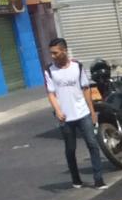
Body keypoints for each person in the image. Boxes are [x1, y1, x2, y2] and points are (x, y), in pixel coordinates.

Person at [44, 37, 106, 190]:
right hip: (65, 117)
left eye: (55, 53)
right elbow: (51, 94)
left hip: (82, 113)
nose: (53, 56)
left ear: (64, 51)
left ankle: (98, 179)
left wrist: (92, 112)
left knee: (92, 144)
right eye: (51, 53)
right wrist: (58, 111)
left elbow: (85, 89)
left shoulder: (77, 67)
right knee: (70, 149)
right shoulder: (49, 71)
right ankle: (76, 179)